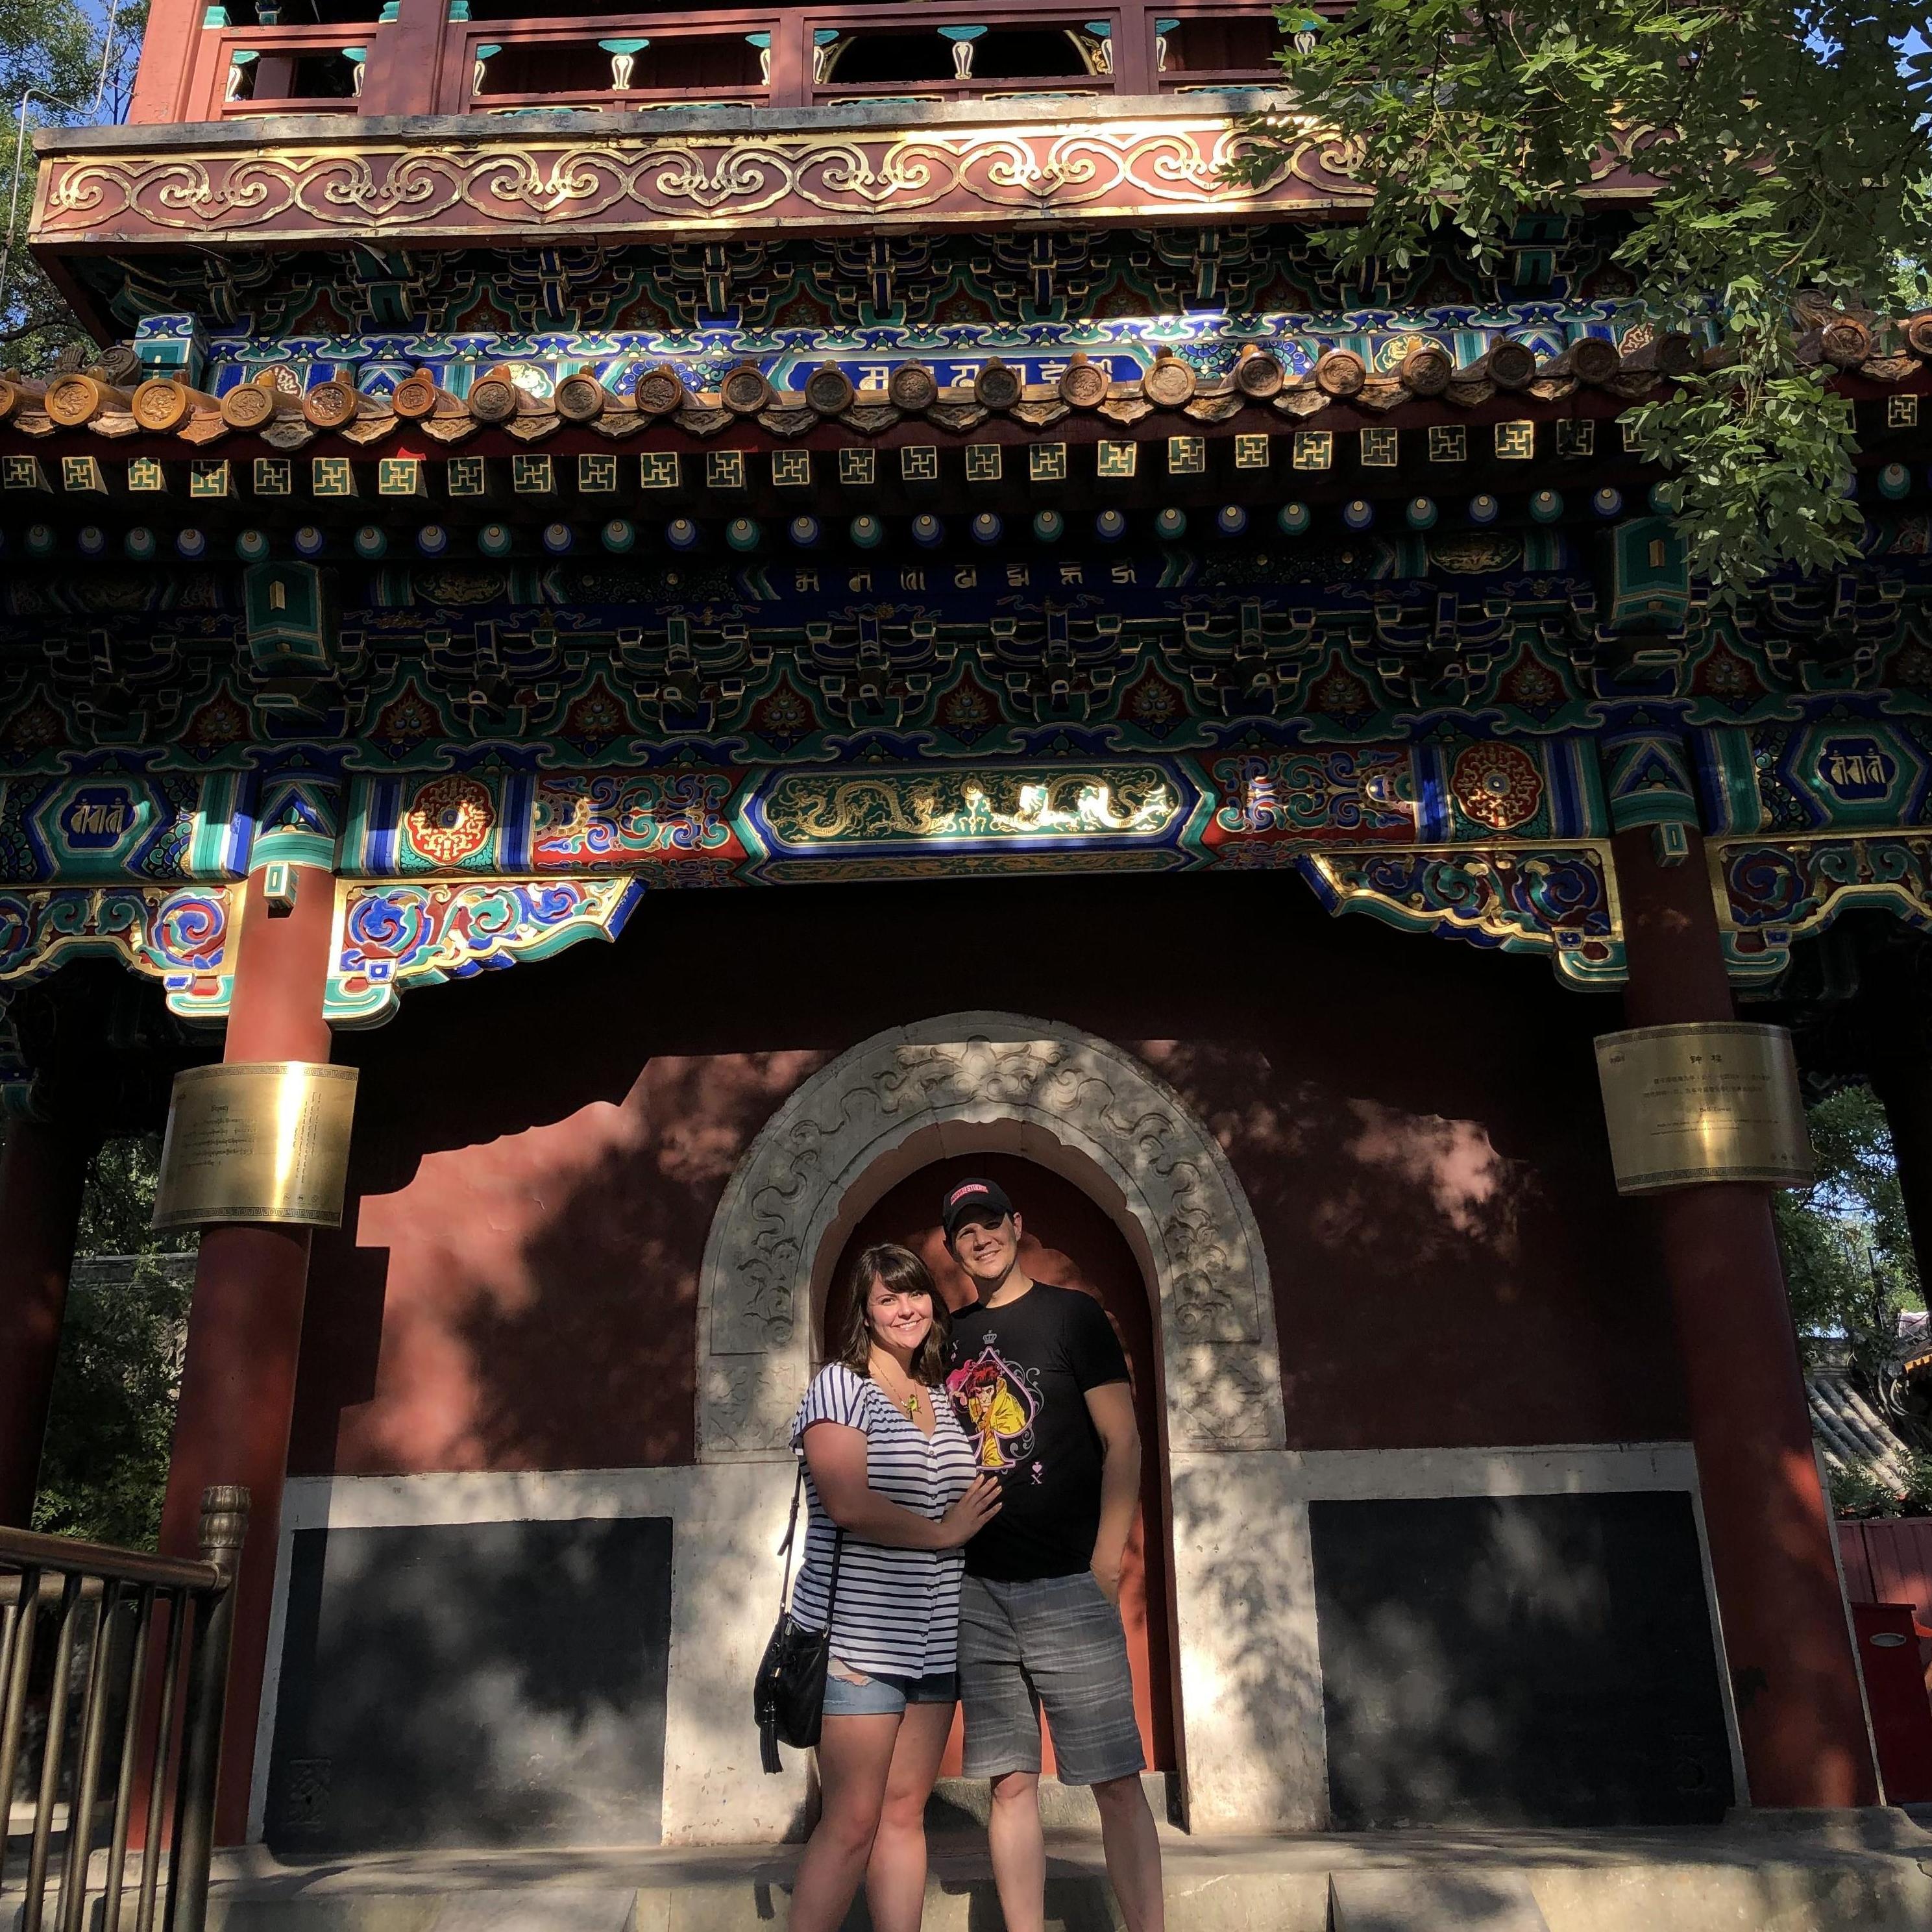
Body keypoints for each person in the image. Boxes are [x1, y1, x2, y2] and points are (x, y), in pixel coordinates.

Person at [941, 1177, 1165, 1932]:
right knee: (1008, 1785)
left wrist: (1105, 1562)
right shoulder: (951, 1335)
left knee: (1115, 1783)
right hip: (980, 1593)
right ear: (953, 1247)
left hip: (1071, 1584)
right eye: (965, 1232)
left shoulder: (1074, 1316)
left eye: (990, 1223)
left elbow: (1123, 1439)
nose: (981, 1239)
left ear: (1017, 1225)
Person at [787, 1242, 1003, 1932]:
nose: (904, 1308)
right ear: (865, 1311)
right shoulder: (839, 1387)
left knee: (904, 1815)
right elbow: (846, 1501)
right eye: (888, 1298)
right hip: (857, 1644)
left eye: (914, 1295)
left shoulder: (940, 1396)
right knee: (850, 1822)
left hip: (935, 1644)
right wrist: (944, 1532)